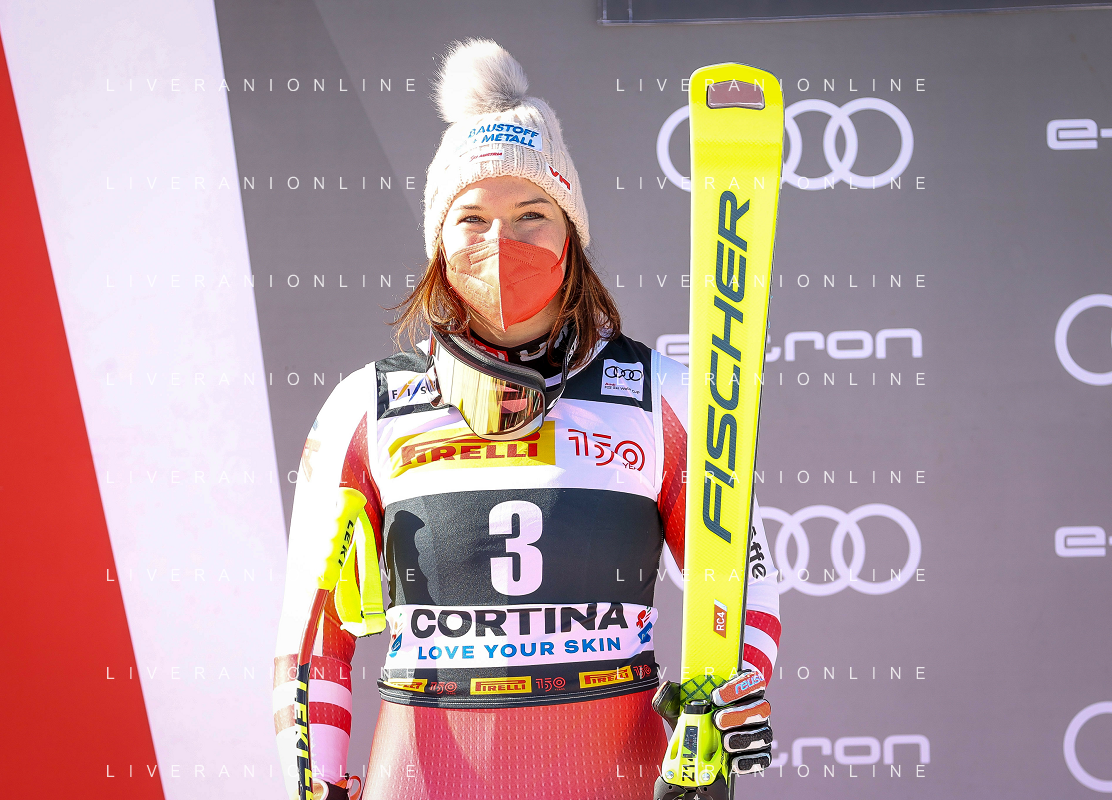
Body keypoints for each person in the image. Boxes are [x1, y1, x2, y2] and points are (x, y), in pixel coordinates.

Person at [273, 39, 781, 800]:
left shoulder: (663, 396)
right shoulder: (365, 407)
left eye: (531, 214)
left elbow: (740, 589)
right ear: (438, 243)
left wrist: (724, 706)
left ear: (571, 235)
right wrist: (313, 788)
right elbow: (311, 644)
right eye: (471, 218)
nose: (500, 242)